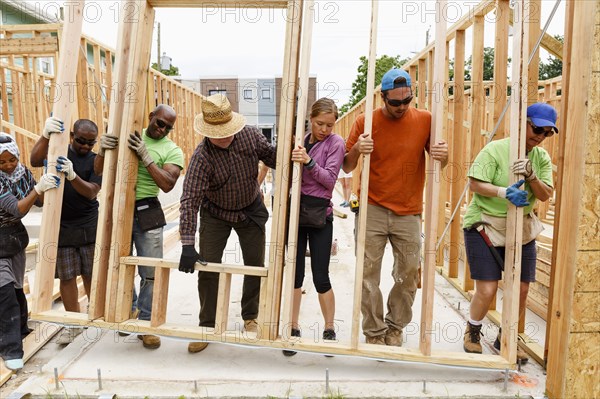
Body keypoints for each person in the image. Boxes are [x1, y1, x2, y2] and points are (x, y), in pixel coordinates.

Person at [342, 68, 448, 346]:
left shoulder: (425, 120)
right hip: (372, 207)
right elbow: (346, 165)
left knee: (409, 273)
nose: (402, 107)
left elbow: (440, 161)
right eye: (395, 102)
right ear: (383, 97)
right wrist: (357, 149)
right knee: (368, 275)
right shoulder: (366, 122)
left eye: (407, 101)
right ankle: (374, 331)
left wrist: (444, 156)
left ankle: (395, 326)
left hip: (409, 210)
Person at [178, 94, 276, 354]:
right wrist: (187, 244)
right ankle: (207, 325)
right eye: (216, 133)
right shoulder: (201, 157)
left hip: (250, 208)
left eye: (226, 131)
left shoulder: (251, 136)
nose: (222, 136)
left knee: (255, 264)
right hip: (216, 213)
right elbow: (189, 200)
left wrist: (291, 151)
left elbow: (273, 156)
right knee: (208, 267)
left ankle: (250, 316)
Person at [462, 103, 558, 364]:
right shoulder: (496, 149)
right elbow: (474, 183)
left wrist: (532, 176)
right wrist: (504, 192)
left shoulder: (540, 158)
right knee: (487, 288)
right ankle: (473, 330)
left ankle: (507, 336)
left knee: (522, 288)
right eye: (536, 128)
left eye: (547, 133)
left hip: (521, 227)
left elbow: (546, 194)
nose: (539, 135)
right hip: (484, 224)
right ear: (522, 122)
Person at [95, 104, 184, 350]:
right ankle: (131, 310)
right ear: (150, 116)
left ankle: (147, 323)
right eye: (159, 123)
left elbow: (167, 184)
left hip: (148, 210)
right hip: (120, 208)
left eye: (168, 127)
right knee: (120, 265)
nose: (163, 129)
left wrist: (147, 158)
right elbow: (98, 172)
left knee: (151, 272)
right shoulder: (128, 134)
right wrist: (101, 150)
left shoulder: (172, 150)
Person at [30, 118, 102, 345]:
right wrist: (45, 135)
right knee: (68, 276)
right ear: (72, 136)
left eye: (90, 143)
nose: (85, 146)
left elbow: (92, 192)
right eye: (81, 141)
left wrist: (73, 176)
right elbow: (33, 159)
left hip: (88, 225)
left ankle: (95, 315)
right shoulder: (58, 151)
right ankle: (73, 323)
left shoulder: (96, 161)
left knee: (91, 273)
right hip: (61, 225)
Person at [283, 98, 345, 357]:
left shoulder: (336, 144)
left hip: (321, 215)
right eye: (320, 123)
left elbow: (330, 181)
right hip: (296, 211)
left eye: (330, 125)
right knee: (295, 274)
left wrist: (308, 162)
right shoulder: (299, 140)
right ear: (311, 118)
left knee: (321, 275)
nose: (324, 129)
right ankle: (293, 327)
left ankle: (329, 328)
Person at [0, 133, 60, 370]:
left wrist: (47, 183)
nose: (7, 165)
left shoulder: (22, 172)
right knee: (4, 294)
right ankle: (11, 349)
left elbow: (39, 202)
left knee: (16, 288)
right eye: (2, 162)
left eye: (11, 160)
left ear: (17, 155)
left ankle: (21, 331)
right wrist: (38, 188)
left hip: (14, 239)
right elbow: (16, 209)